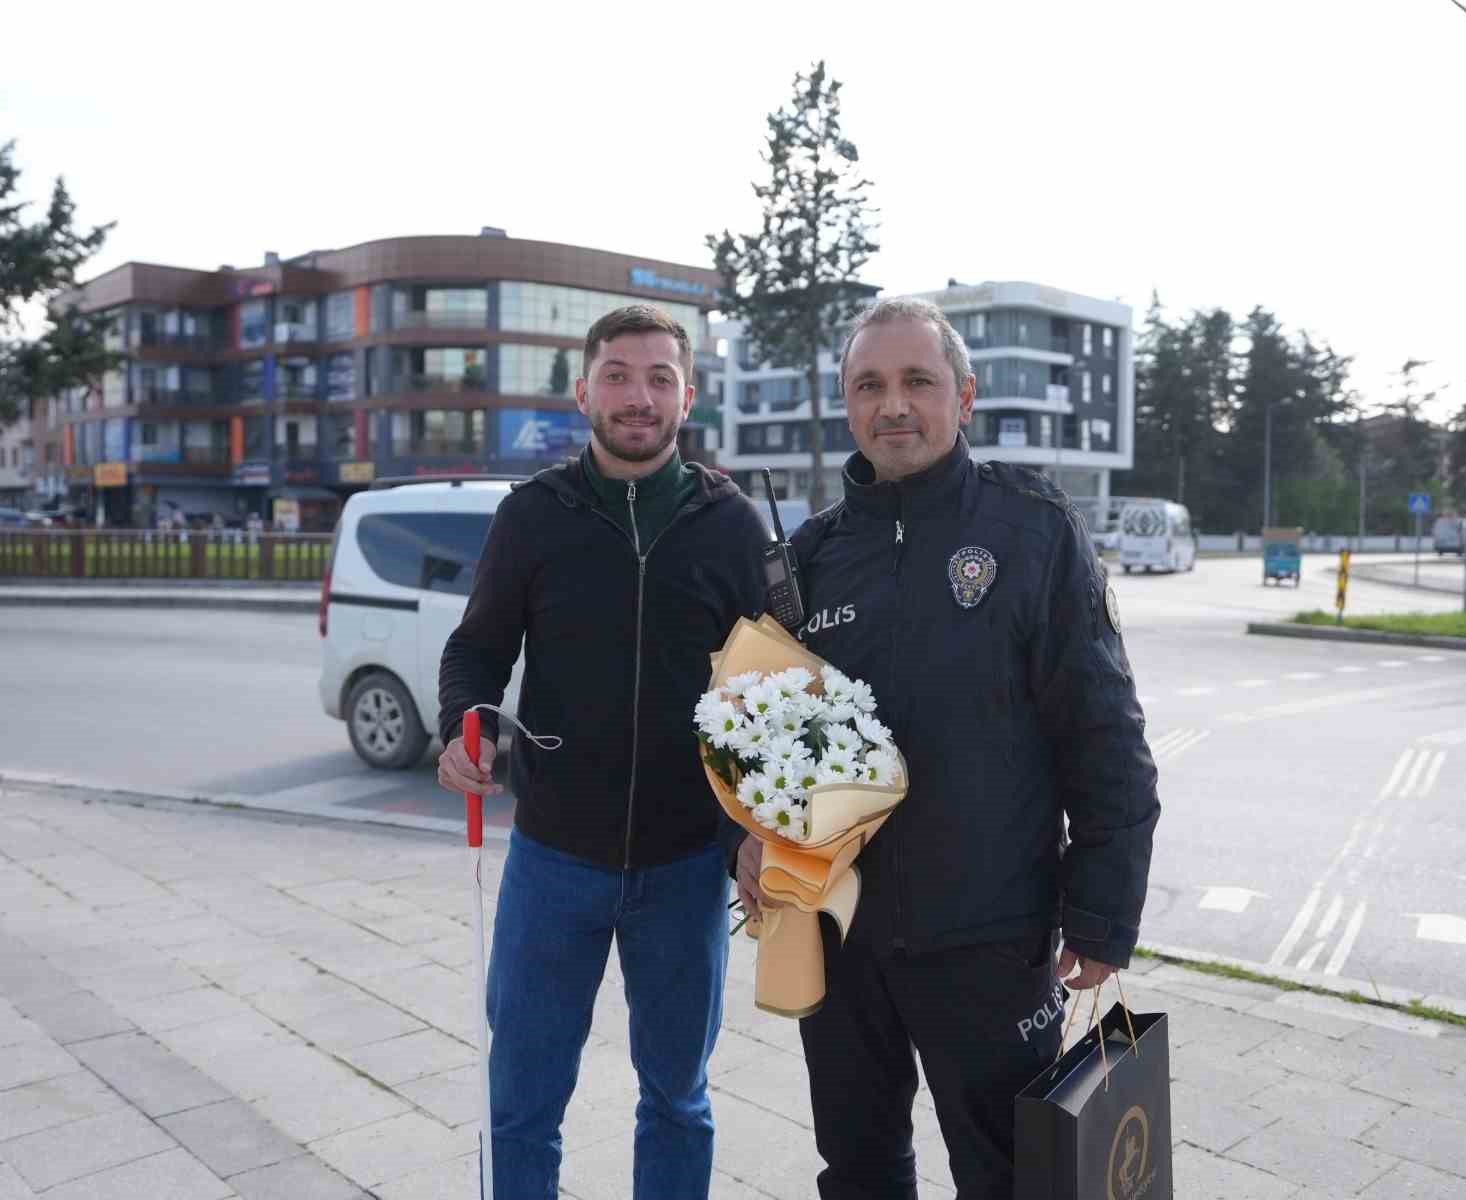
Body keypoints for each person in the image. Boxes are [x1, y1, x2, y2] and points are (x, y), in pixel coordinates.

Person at [734, 298, 1159, 1200]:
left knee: (1010, 1179)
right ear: (847, 405)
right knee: (858, 1171)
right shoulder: (807, 558)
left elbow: (1104, 733)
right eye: (869, 385)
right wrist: (754, 834)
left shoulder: (1030, 531)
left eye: (917, 382)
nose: (893, 405)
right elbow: (772, 746)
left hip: (991, 942)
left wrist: (1102, 913)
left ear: (963, 397)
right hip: (842, 937)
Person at [436, 304, 770, 1200]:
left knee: (677, 1100)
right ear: (583, 392)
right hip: (553, 862)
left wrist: (756, 827)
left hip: (686, 867)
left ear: (688, 398)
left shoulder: (731, 525)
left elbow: (773, 692)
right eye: (618, 376)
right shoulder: (533, 515)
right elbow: (476, 650)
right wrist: (464, 722)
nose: (638, 397)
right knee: (520, 1104)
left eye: (660, 378)